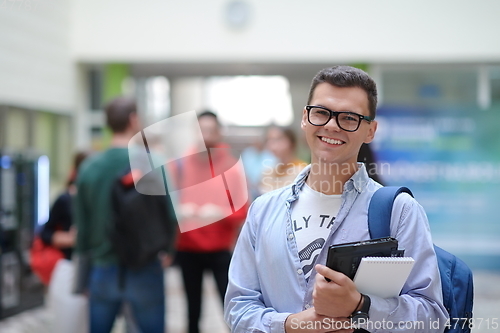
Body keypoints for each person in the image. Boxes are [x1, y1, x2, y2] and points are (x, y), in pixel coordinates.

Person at [224, 66, 447, 333]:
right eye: (321, 113)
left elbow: (432, 317)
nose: (331, 125)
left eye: (349, 118)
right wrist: (291, 325)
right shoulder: (263, 210)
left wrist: (361, 306)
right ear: (305, 118)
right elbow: (237, 308)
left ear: (370, 131)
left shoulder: (399, 211)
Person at [74, 97, 176, 333]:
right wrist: (169, 251)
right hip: (146, 266)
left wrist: (82, 276)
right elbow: (171, 216)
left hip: (103, 267)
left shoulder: (89, 167)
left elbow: (82, 227)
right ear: (133, 120)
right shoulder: (153, 163)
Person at [174, 111, 248, 333]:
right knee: (192, 309)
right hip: (187, 247)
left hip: (220, 248)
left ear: (218, 132)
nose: (205, 135)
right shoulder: (180, 165)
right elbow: (167, 206)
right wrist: (177, 211)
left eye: (210, 130)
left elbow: (243, 210)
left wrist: (220, 212)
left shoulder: (231, 165)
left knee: (230, 309)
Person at [40, 151, 88, 260]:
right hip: (70, 261)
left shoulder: (99, 197)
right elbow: (45, 233)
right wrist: (70, 239)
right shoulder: (65, 200)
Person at [259, 125, 307, 194]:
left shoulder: (303, 171)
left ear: (291, 142)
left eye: (278, 139)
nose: (272, 144)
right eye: (269, 140)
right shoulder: (268, 172)